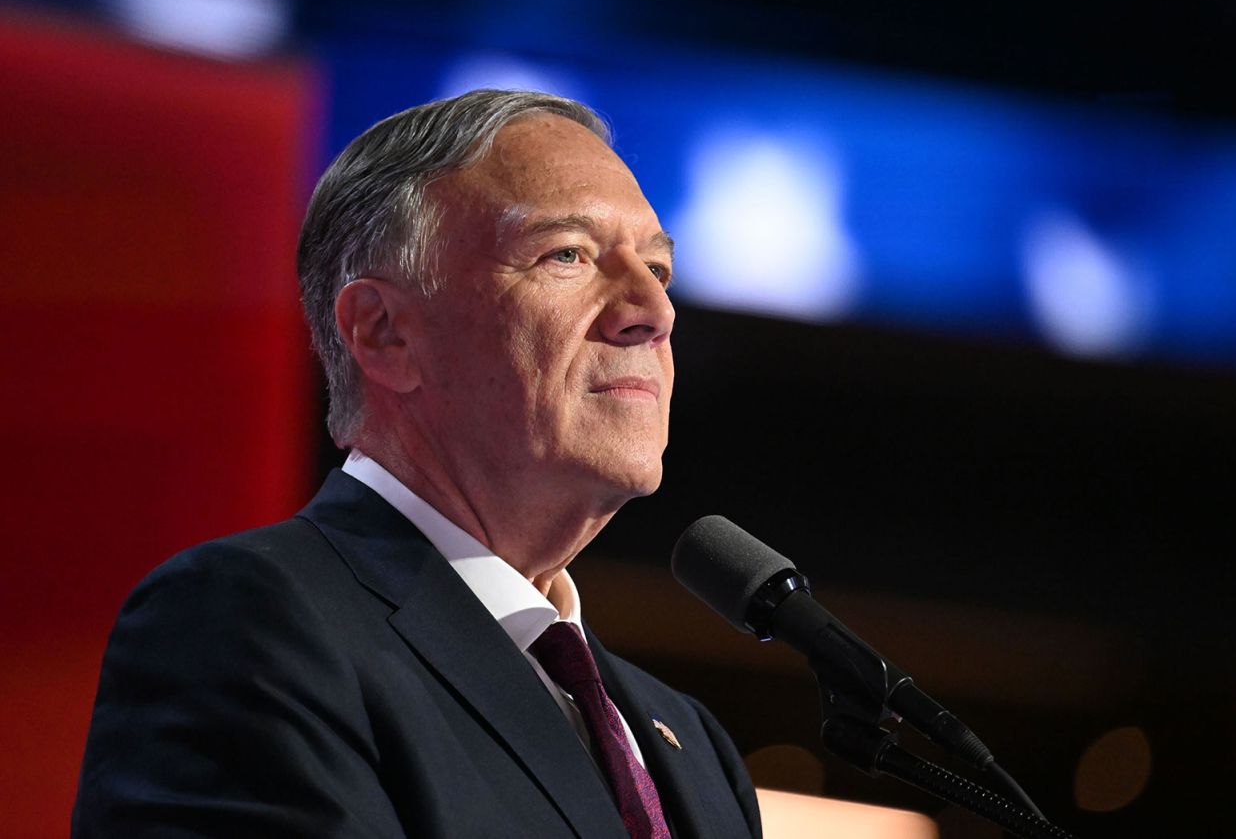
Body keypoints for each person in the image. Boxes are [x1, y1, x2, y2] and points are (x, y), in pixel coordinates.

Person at [71, 89, 763, 838]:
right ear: (383, 332)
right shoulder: (244, 625)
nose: (653, 311)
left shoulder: (690, 745)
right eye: (567, 254)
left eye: (657, 269)